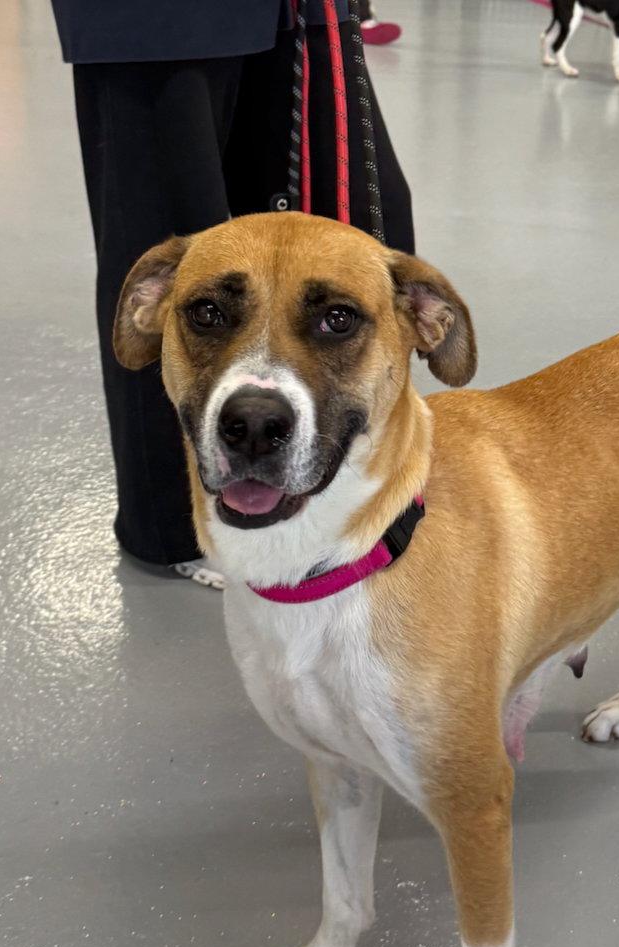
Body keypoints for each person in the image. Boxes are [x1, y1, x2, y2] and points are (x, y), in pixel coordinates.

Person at [53, 1, 414, 587]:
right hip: (153, 20)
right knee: (172, 251)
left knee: (367, 237)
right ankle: (173, 526)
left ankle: (362, 494)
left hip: (293, 9)